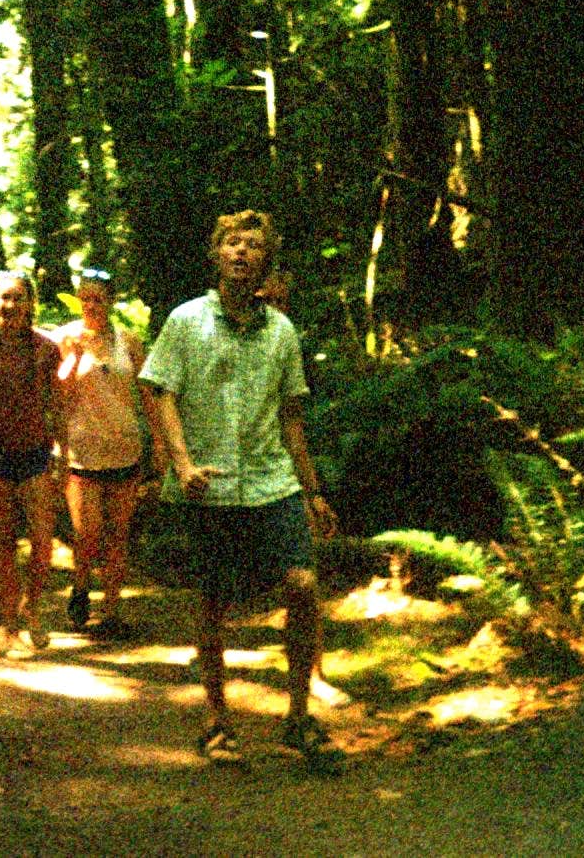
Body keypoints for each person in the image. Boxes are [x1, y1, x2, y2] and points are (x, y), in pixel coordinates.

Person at [142, 211, 343, 773]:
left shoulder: (282, 331)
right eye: (232, 242)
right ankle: (215, 721)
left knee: (302, 585)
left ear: (265, 262)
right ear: (216, 253)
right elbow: (159, 392)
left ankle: (298, 718)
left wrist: (312, 491)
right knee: (213, 604)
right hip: (209, 487)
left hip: (271, 482)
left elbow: (293, 418)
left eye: (253, 246)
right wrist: (179, 463)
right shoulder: (185, 321)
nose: (241, 252)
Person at [53, 267, 157, 638]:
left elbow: (147, 395)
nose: (91, 306)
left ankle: (112, 609)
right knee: (87, 532)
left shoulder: (128, 342)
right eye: (86, 298)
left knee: (118, 534)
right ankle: (81, 587)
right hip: (82, 451)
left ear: (111, 301)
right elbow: (56, 396)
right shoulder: (64, 338)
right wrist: (74, 358)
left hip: (125, 448)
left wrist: (157, 445)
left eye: (98, 299)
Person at [0, 271, 62, 657]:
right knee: (3, 543)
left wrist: (63, 453)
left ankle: (32, 607)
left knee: (41, 542)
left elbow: (56, 403)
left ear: (30, 305)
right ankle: (10, 628)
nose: (10, 305)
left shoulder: (45, 349)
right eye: (4, 298)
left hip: (37, 451)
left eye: (18, 298)